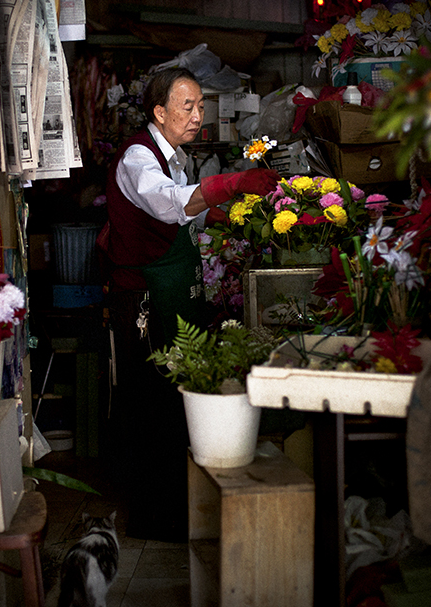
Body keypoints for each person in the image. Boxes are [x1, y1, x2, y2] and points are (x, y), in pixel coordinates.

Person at [96, 67, 280, 541]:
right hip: (142, 299)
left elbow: (180, 215)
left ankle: (173, 509)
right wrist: (229, 185)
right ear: (159, 112)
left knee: (170, 398)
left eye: (201, 106)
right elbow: (165, 204)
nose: (198, 116)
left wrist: (223, 213)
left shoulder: (173, 156)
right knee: (152, 401)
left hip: (167, 289)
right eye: (188, 107)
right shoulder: (139, 155)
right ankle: (153, 517)